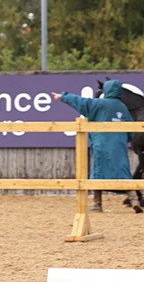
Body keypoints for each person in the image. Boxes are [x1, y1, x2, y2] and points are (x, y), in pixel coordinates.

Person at [52, 81, 133, 212]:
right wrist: (123, 140)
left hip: (102, 144)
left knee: (98, 172)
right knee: (122, 171)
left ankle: (97, 204)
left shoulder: (100, 104)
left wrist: (63, 96)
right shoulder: (123, 107)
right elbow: (131, 130)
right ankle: (134, 199)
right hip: (119, 146)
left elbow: (82, 102)